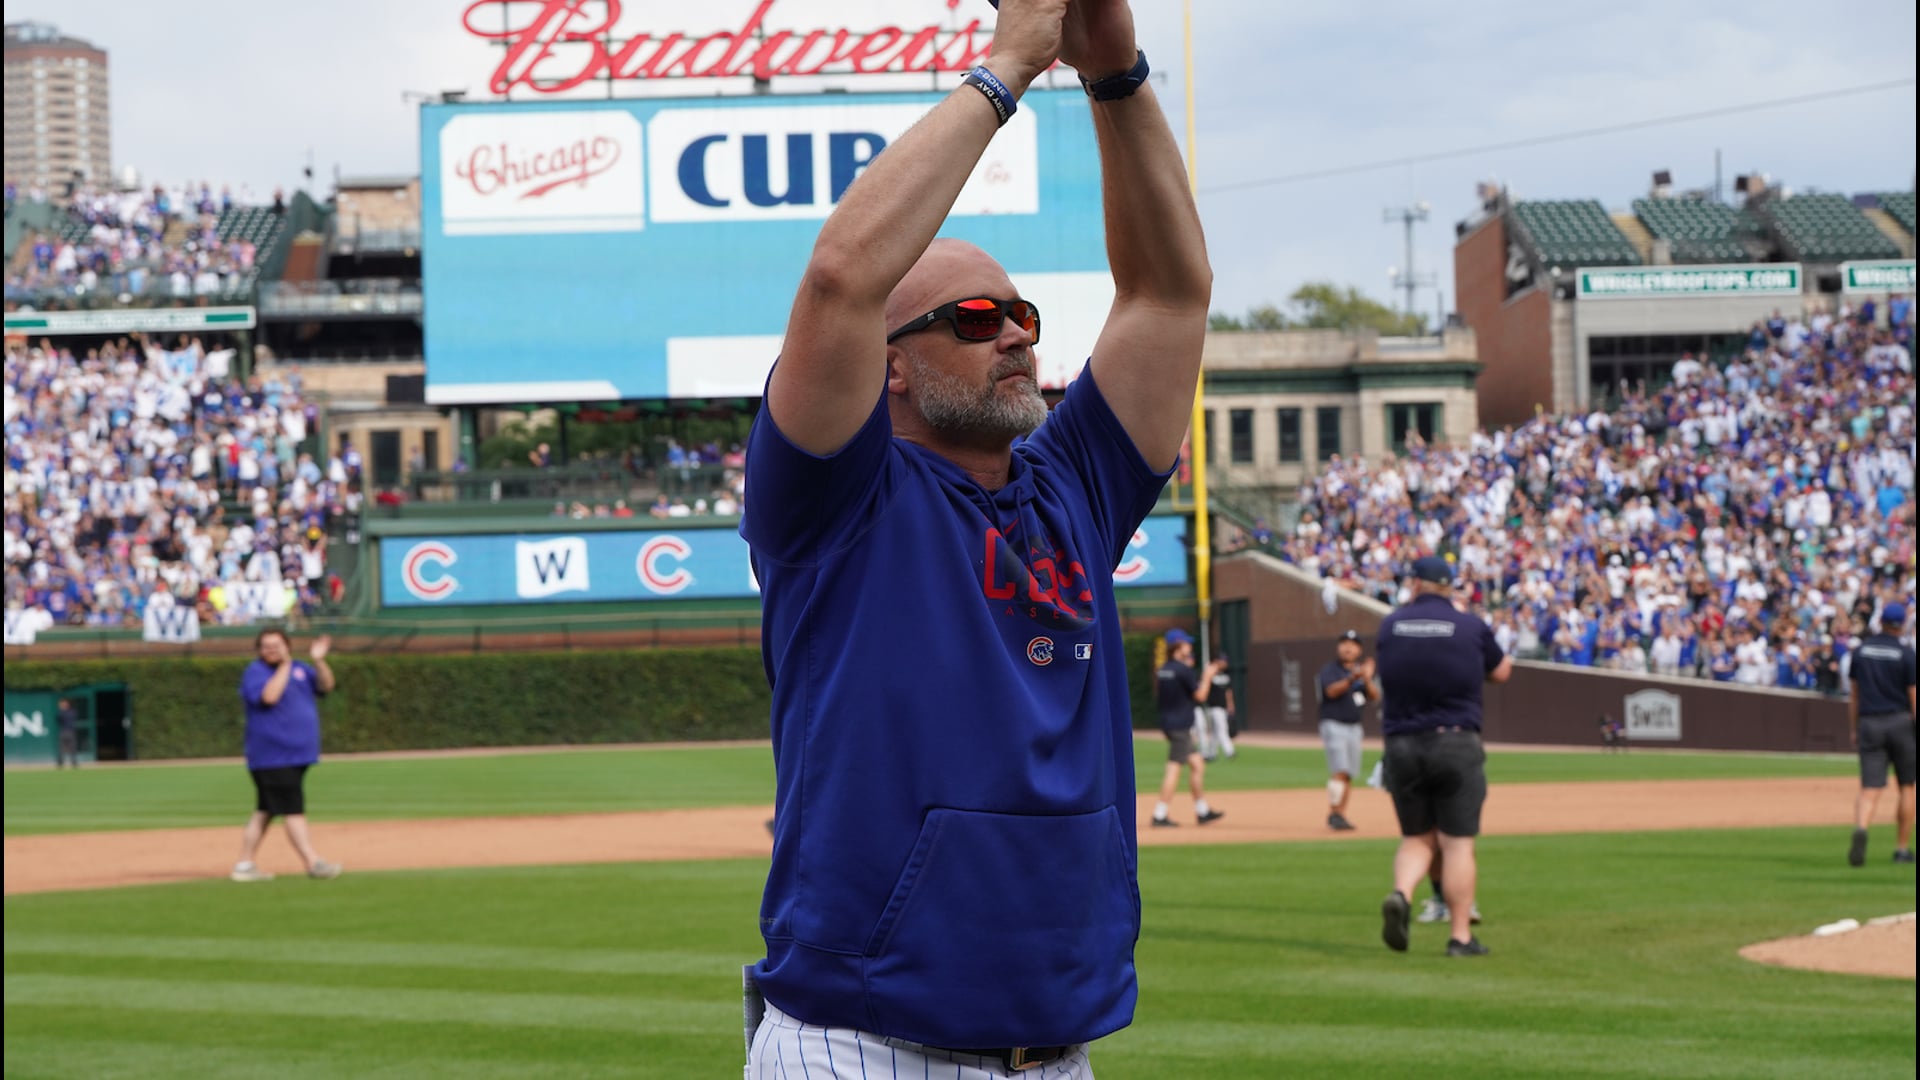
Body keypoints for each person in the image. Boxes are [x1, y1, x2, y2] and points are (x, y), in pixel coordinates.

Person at [738, 0, 1211, 1072]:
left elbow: (1172, 294)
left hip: (1059, 1046)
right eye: (970, 318)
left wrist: (1117, 73)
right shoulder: (834, 499)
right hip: (863, 1042)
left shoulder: (1072, 486)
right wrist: (1008, 68)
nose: (1009, 333)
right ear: (888, 363)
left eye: (1020, 315)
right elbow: (841, 277)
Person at [1375, 555, 1513, 957]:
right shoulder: (1469, 625)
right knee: (1456, 844)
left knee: (1417, 838)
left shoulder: (1391, 625)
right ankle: (1460, 937)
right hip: (1455, 741)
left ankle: (1401, 893)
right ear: (1449, 587)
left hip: (1401, 743)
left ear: (1415, 584)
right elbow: (1502, 672)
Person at [231, 629, 344, 882]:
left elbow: (326, 686)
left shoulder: (302, 669)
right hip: (273, 756)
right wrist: (284, 666)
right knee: (293, 809)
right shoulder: (256, 672)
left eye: (277, 645)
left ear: (288, 645)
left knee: (265, 810)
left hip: (296, 755)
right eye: (266, 646)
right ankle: (313, 862)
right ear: (259, 650)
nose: (272, 650)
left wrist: (319, 661)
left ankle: (244, 865)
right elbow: (269, 697)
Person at [1846, 601, 1916, 866]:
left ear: (1881, 621)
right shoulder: (1906, 653)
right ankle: (1901, 849)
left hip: (1869, 722)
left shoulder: (1862, 651)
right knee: (1908, 786)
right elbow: (1913, 695)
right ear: (1902, 625)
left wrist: (1853, 728)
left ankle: (1862, 828)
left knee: (1869, 788)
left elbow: (1854, 695)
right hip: (1900, 722)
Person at [1153, 629, 1229, 827]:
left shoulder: (1163, 669)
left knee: (1197, 764)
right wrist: (1207, 675)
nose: (1189, 646)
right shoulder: (1183, 670)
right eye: (1186, 643)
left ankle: (1202, 810)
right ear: (1177, 646)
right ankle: (1159, 814)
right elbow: (1200, 697)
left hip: (1169, 723)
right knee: (1174, 768)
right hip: (1180, 725)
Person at [1199, 649, 1237, 760]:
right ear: (1217, 661)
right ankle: (1229, 751)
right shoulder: (1209, 673)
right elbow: (1202, 685)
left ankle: (1211, 753)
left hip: (1223, 706)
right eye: (1223, 660)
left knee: (1216, 731)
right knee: (1222, 728)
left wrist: (1231, 705)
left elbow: (1228, 692)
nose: (1225, 663)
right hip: (1213, 706)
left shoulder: (1226, 675)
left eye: (1225, 661)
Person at [55, 696, 82, 769]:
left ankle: (74, 763)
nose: (63, 705)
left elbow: (73, 716)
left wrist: (64, 710)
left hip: (71, 731)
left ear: (68, 704)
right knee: (61, 749)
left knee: (73, 748)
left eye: (64, 703)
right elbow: (58, 718)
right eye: (62, 704)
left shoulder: (72, 711)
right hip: (63, 731)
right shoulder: (60, 712)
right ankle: (60, 764)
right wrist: (62, 710)